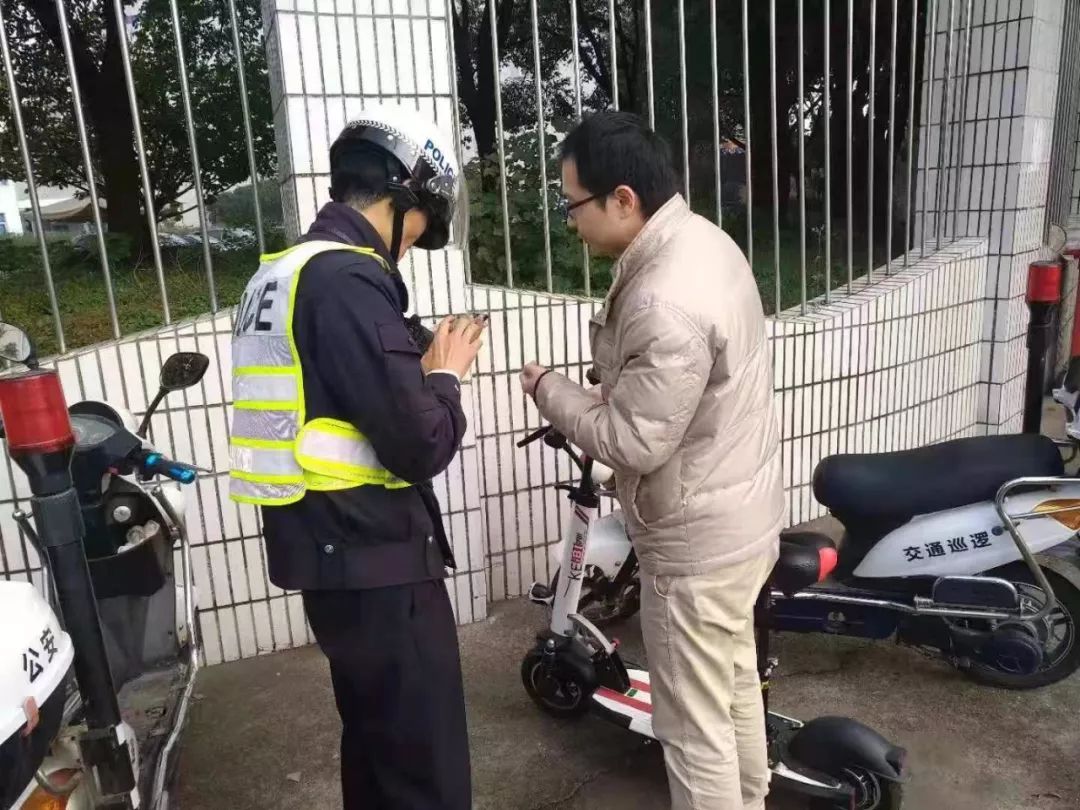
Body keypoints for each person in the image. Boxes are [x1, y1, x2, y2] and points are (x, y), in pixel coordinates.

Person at [520, 111, 784, 810]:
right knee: (732, 687)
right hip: (740, 518)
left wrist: (550, 390)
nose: (570, 221)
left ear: (623, 199)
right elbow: (675, 395)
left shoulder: (663, 295)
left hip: (697, 547)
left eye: (573, 204)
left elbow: (633, 442)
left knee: (692, 732)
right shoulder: (703, 241)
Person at [229, 103, 483, 810]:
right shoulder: (346, 277)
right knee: (424, 772)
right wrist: (445, 376)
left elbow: (335, 394)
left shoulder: (283, 273)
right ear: (404, 197)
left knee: (375, 752)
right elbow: (421, 442)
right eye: (423, 219)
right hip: (378, 561)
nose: (417, 239)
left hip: (327, 554)